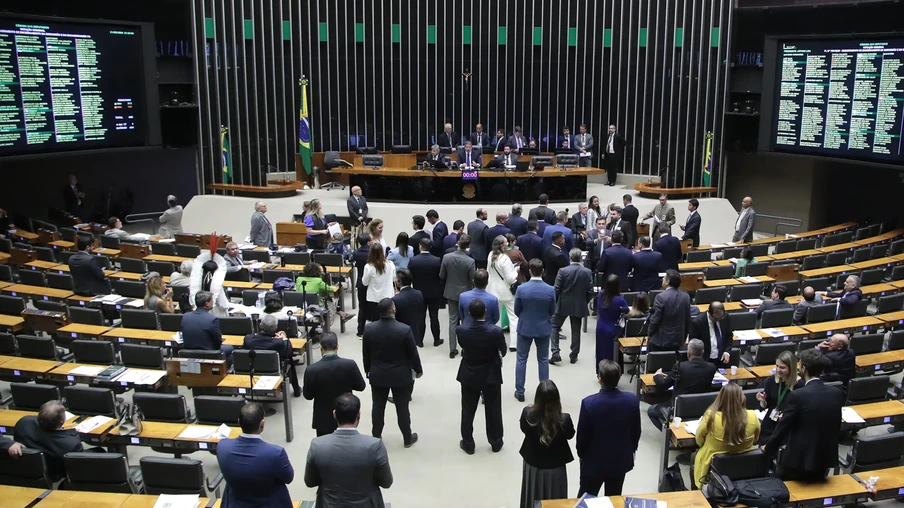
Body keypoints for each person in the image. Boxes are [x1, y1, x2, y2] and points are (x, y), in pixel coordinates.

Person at [764, 348, 843, 481]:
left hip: (799, 460)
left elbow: (783, 427)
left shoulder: (798, 395)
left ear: (804, 369)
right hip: (825, 458)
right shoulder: (836, 393)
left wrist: (768, 448)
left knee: (776, 484)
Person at [304, 393, 393, 508]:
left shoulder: (317, 445)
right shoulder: (375, 446)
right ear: (358, 415)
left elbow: (310, 482)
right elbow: (386, 482)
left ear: (334, 414)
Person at [363, 298, 423, 448]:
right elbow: (413, 354)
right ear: (393, 310)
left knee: (378, 407)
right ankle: (407, 438)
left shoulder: (369, 329)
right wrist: (418, 370)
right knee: (402, 408)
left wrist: (367, 370)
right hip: (400, 375)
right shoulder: (404, 329)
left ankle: (376, 436)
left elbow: (366, 353)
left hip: (378, 374)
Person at [577, 360, 641, 496]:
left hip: (594, 463)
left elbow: (582, 437)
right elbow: (636, 431)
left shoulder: (589, 403)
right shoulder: (632, 400)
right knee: (614, 498)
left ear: (600, 379)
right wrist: (631, 449)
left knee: (586, 498)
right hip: (620, 461)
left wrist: (582, 455)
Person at [218, 403, 294, 507]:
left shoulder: (222, 446)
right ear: (262, 424)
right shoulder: (276, 454)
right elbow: (288, 478)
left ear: (239, 422)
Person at [456, 299, 507, 454]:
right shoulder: (495, 331)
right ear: (486, 312)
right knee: (493, 409)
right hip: (491, 373)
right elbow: (503, 350)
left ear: (469, 314)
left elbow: (463, 346)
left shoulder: (461, 330)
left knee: (467, 409)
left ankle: (468, 443)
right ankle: (496, 441)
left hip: (469, 372)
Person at [519, 380, 575, 508]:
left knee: (533, 498)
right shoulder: (564, 420)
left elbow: (524, 429)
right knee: (556, 502)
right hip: (556, 469)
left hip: (533, 466)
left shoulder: (528, 415)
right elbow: (570, 435)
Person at [693, 384, 760, 488]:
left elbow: (699, 439)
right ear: (742, 397)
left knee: (694, 458)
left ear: (721, 397)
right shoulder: (752, 415)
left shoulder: (711, 416)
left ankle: (697, 492)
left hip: (713, 462)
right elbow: (756, 439)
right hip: (743, 465)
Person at [302, 332, 366, 436]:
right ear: (337, 346)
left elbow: (308, 396)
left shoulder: (312, 370)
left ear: (321, 348)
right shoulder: (350, 365)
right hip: (346, 417)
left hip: (323, 420)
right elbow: (361, 386)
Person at [647, 339, 717, 430]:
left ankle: (669, 435)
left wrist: (657, 375)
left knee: (651, 411)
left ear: (689, 352)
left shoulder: (680, 367)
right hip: (702, 407)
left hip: (680, 408)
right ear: (702, 352)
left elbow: (663, 385)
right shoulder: (711, 367)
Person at [514, 259, 556, 402]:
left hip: (525, 327)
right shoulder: (550, 290)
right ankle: (544, 392)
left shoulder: (521, 289)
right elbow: (552, 310)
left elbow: (516, 310)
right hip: (543, 328)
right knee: (543, 360)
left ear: (530, 271)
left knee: (521, 359)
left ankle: (520, 391)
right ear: (543, 271)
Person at [13, 401, 83, 481]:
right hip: (54, 474)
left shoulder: (23, 423)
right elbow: (76, 466)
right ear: (62, 421)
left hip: (26, 469)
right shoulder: (71, 444)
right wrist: (73, 435)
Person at [550, 248, 592, 365]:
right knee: (576, 330)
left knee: (554, 326)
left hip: (563, 304)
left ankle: (555, 352)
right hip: (578, 305)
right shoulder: (587, 272)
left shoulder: (562, 271)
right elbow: (590, 291)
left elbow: (556, 289)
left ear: (570, 258)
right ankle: (574, 355)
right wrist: (584, 302)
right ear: (581, 258)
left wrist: (554, 304)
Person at [244, 314, 301, 397]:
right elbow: (289, 352)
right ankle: (297, 389)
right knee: (290, 361)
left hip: (252, 370)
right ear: (275, 329)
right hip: (272, 371)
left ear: (260, 325)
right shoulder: (278, 343)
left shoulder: (248, 339)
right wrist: (284, 339)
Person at [756, 350, 803, 443]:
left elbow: (801, 410)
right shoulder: (771, 381)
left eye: (782, 367)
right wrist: (763, 400)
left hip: (788, 427)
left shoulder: (800, 386)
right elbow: (766, 405)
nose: (778, 370)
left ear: (791, 368)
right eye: (777, 366)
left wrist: (788, 416)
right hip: (770, 423)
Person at [441, 234, 477, 356]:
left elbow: (442, 275)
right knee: (466, 321)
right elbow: (473, 279)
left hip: (450, 292)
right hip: (466, 293)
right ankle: (465, 348)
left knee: (452, 321)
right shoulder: (470, 261)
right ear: (468, 246)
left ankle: (452, 349)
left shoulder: (446, 257)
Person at [408, 238, 444, 347]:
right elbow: (441, 276)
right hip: (434, 293)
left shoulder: (413, 260)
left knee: (420, 317)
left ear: (420, 246)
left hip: (419, 292)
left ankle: (419, 341)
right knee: (434, 316)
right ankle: (436, 339)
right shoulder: (437, 260)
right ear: (431, 247)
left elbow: (410, 276)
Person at [180, 291, 234, 362]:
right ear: (207, 304)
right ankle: (223, 371)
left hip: (188, 353)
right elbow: (218, 343)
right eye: (212, 300)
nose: (213, 302)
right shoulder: (212, 319)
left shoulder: (185, 316)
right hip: (209, 354)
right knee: (230, 348)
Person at [648, 270, 693, 352]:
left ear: (668, 281)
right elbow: (688, 320)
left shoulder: (660, 297)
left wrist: (650, 333)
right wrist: (684, 337)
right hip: (678, 339)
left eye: (664, 278)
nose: (662, 279)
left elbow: (655, 320)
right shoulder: (685, 297)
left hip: (661, 340)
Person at [488, 235, 519, 349]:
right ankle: (513, 344)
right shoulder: (505, 259)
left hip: (493, 291)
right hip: (507, 292)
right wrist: (515, 270)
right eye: (506, 242)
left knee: (495, 317)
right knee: (513, 317)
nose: (508, 244)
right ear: (501, 245)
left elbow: (488, 272)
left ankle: (494, 341)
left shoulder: (490, 255)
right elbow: (510, 278)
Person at [595, 275, 629, 366]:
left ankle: (600, 372)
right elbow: (627, 311)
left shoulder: (600, 295)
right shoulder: (620, 300)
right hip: (613, 329)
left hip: (601, 327)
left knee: (601, 351)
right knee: (612, 354)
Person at [189, 242, 230, 316]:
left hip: (200, 313)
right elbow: (223, 304)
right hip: (216, 313)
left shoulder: (197, 281)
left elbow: (192, 301)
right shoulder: (216, 284)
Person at [691, 301, 733, 368]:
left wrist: (727, 352)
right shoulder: (698, 322)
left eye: (720, 318)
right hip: (706, 361)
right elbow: (694, 344)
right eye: (716, 319)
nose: (718, 320)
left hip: (722, 360)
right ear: (709, 313)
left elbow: (729, 336)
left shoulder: (725, 317)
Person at [362, 243, 397, 323]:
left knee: (375, 321)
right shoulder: (390, 264)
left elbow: (365, 283)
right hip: (388, 296)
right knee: (389, 320)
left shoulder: (368, 267)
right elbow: (394, 278)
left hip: (373, 298)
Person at [392, 268, 427, 347]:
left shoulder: (395, 299)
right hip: (414, 334)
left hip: (400, 335)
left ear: (399, 282)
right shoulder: (419, 294)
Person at [353, 233, 372, 337]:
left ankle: (360, 330)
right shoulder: (372, 252)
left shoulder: (356, 252)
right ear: (369, 242)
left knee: (362, 306)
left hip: (361, 282)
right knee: (373, 306)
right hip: (371, 282)